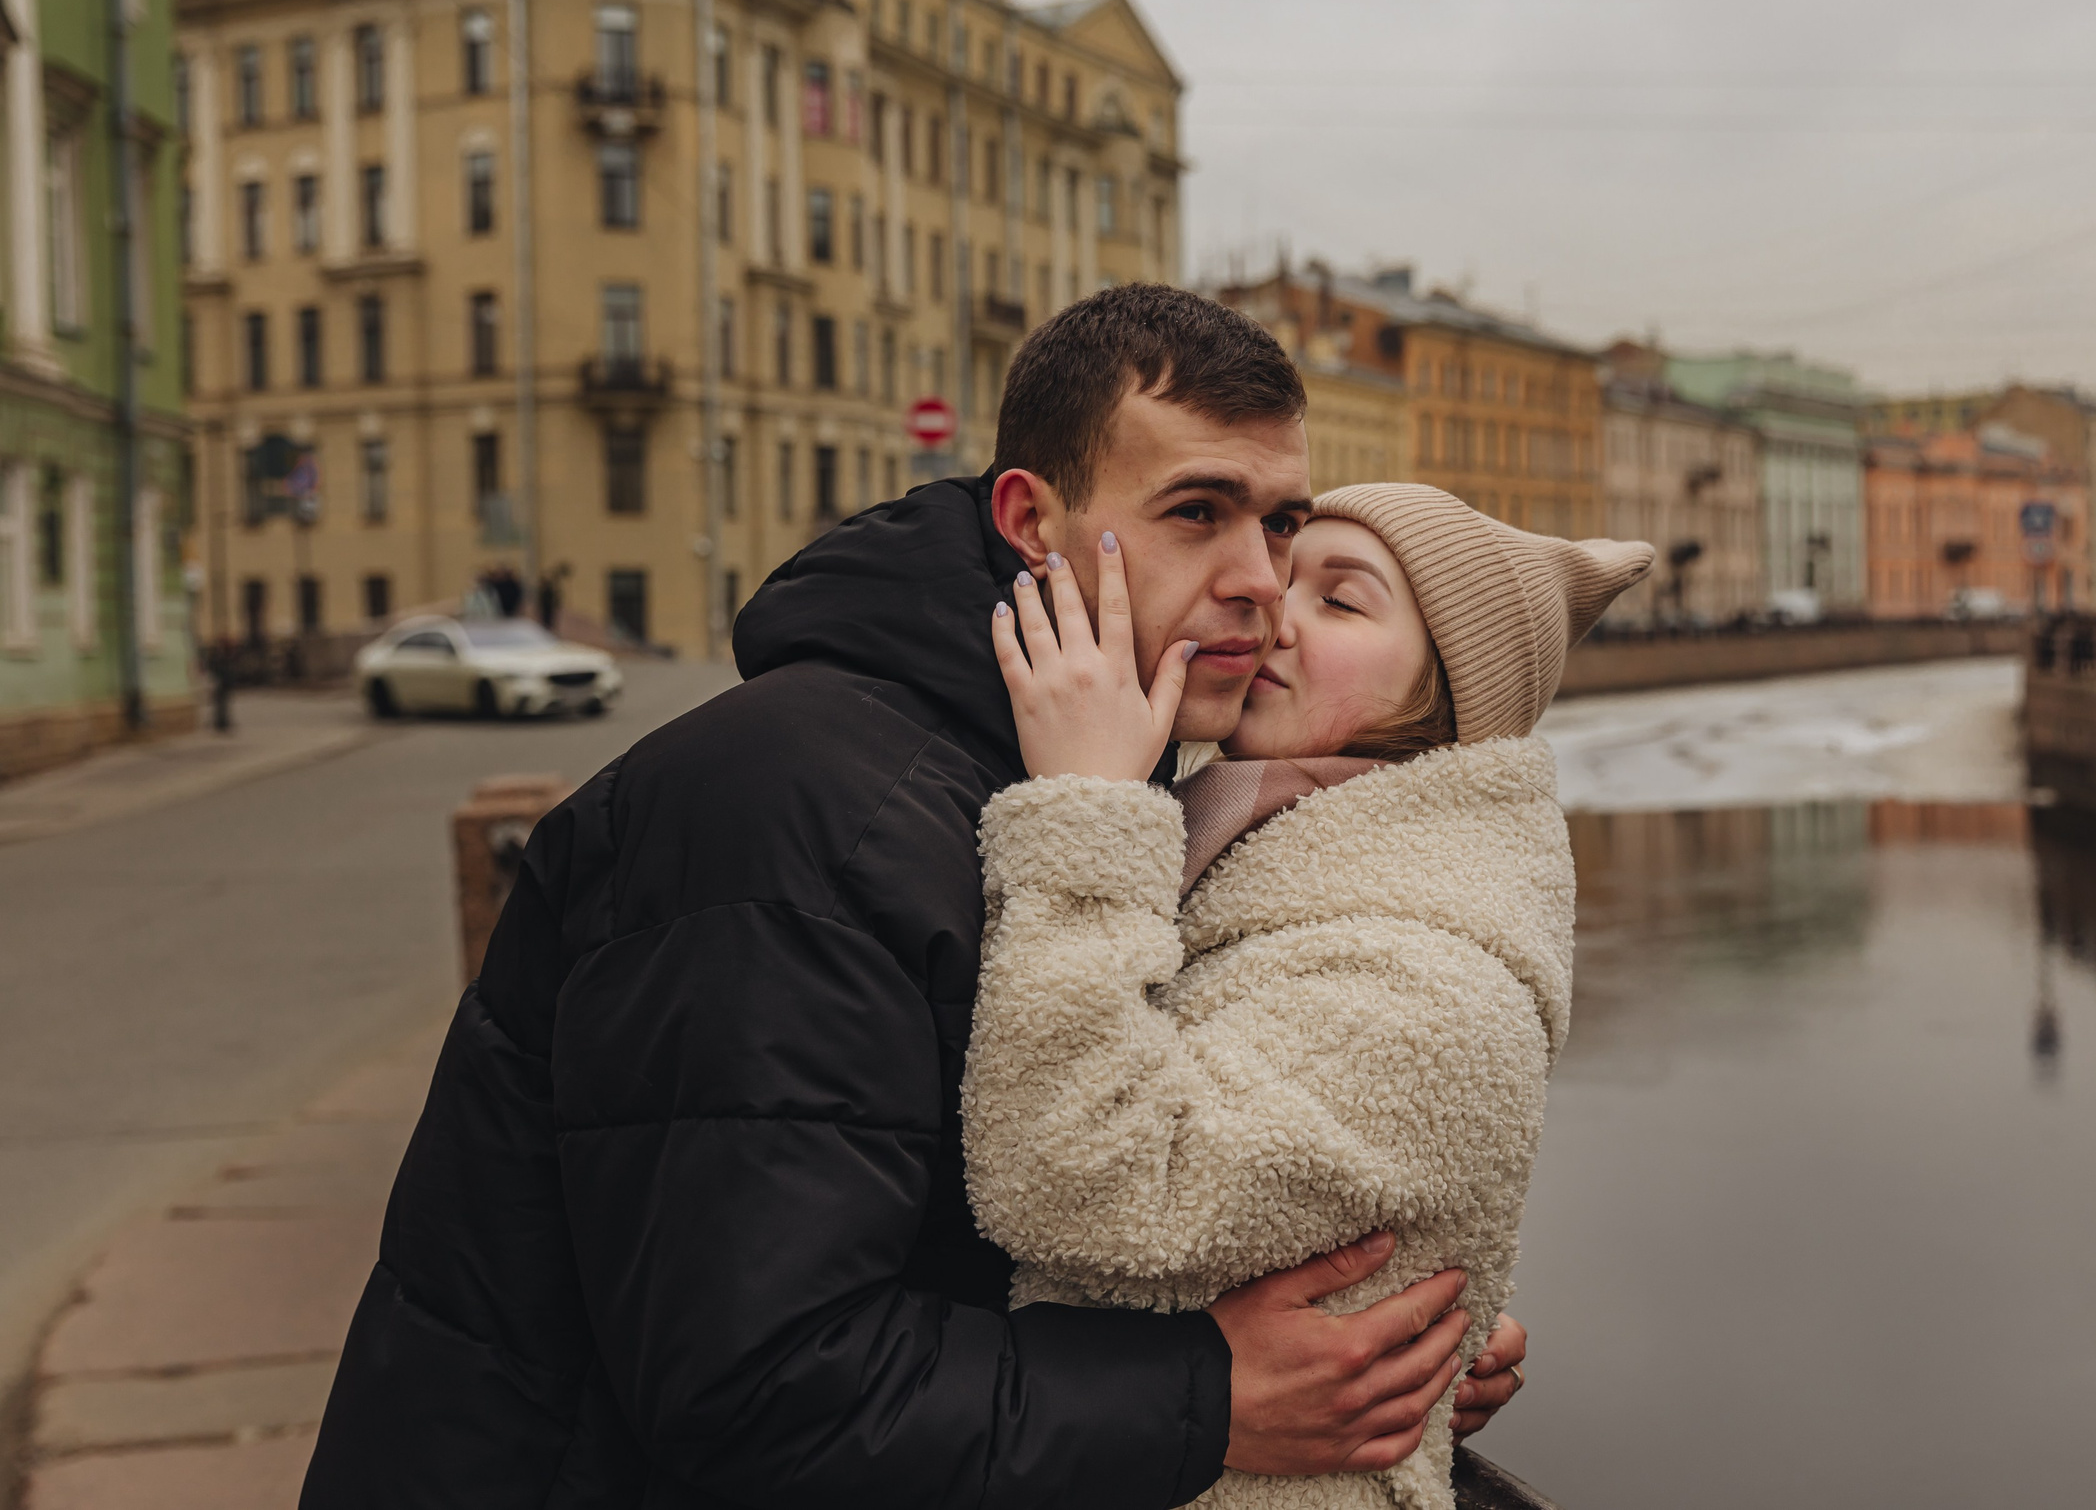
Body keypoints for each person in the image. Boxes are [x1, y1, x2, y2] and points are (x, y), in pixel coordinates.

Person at [300, 288, 1525, 1508]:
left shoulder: (1084, 781)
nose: (1259, 579)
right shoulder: (788, 813)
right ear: (1030, 522)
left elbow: (991, 1230)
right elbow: (761, 1395)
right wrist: (1211, 1395)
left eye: (1280, 524)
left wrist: (1371, 1355)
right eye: (1197, 513)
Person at [967, 483, 1651, 1508]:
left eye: (1341, 601)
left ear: (1447, 698)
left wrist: (1088, 817)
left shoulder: (1430, 974)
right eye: (1289, 575)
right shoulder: (1245, 843)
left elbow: (1083, 1176)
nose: (1272, 611)